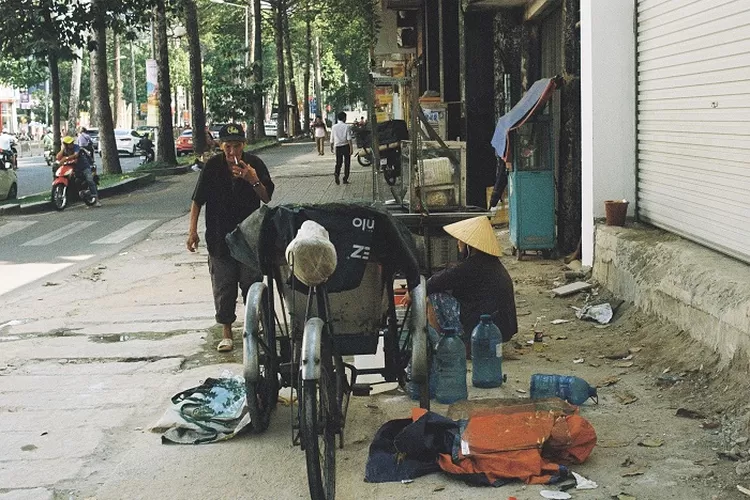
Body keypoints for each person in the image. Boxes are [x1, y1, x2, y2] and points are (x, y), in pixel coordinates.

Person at [186, 123, 275, 352]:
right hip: (219, 236)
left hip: (248, 236)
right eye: (228, 146)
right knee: (224, 286)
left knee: (251, 283)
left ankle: (256, 327)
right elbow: (197, 200)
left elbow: (266, 198)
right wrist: (192, 231)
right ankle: (226, 332)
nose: (232, 152)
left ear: (244, 145)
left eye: (237, 146)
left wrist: (252, 179)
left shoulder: (255, 164)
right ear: (220, 146)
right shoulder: (213, 166)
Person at [409, 216, 517, 358]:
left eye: (460, 240)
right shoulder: (491, 264)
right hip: (502, 327)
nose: (458, 244)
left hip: (486, 326)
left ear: (469, 245)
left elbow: (435, 283)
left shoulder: (472, 266)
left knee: (433, 297)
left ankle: (441, 347)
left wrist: (413, 292)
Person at [57, 135, 101, 207]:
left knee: (90, 180)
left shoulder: (76, 147)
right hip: (72, 168)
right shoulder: (65, 150)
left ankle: (96, 199)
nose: (71, 144)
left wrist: (66, 158)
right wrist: (63, 150)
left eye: (71, 143)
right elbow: (58, 157)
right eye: (68, 143)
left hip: (84, 167)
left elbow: (76, 155)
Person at [330, 111, 353, 185]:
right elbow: (349, 138)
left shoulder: (334, 127)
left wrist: (331, 147)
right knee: (347, 163)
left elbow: (332, 138)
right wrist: (351, 148)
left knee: (338, 162)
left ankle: (337, 173)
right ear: (344, 118)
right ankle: (345, 178)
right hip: (346, 146)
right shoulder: (346, 126)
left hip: (338, 146)